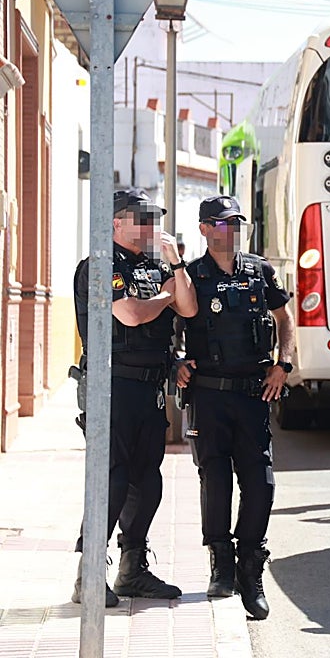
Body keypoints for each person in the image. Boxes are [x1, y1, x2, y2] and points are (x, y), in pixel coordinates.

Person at [71, 188, 197, 606]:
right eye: (141, 218)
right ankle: (89, 574)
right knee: (112, 479)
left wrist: (175, 264)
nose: (150, 226)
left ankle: (132, 570)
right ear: (116, 222)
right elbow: (130, 313)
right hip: (111, 386)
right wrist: (166, 296)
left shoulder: (155, 265)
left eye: (153, 218)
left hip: (148, 388)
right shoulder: (100, 264)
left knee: (148, 481)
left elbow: (189, 308)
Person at [175, 195, 295, 620]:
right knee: (216, 480)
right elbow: (168, 327)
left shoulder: (259, 271)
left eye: (237, 224)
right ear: (205, 229)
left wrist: (283, 364)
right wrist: (175, 361)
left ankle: (250, 565)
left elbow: (284, 320)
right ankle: (221, 564)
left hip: (253, 395)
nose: (233, 231)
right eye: (224, 223)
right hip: (208, 395)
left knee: (261, 483)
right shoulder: (191, 277)